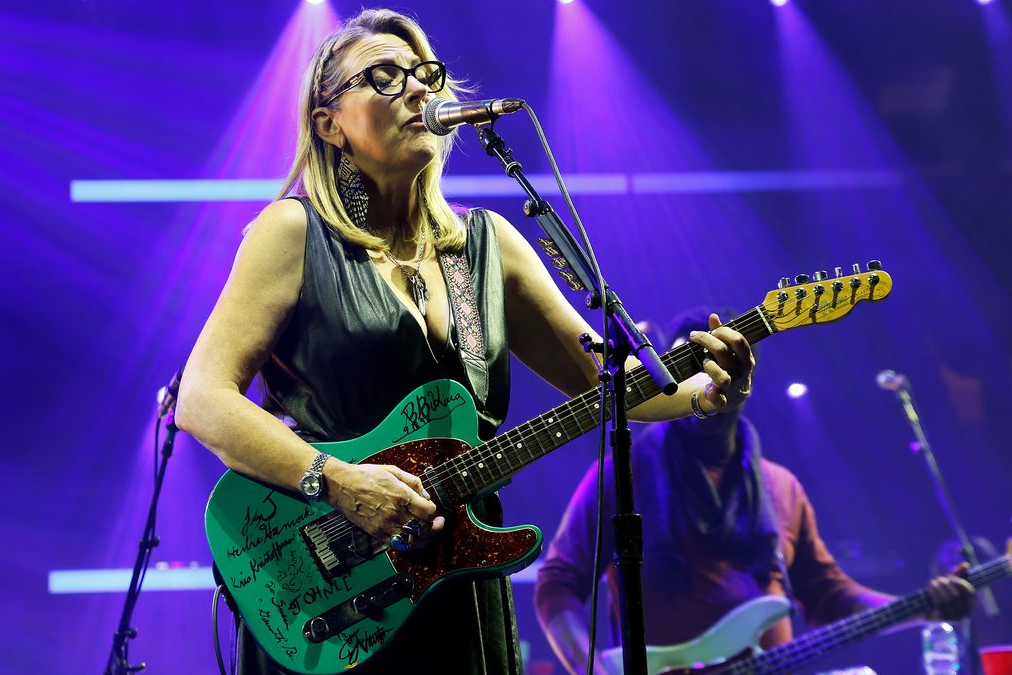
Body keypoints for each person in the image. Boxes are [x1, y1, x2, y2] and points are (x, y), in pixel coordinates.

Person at [175, 10, 756, 674]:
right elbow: (202, 398)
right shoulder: (293, 233)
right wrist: (337, 480)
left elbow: (614, 384)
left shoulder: (486, 246)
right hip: (335, 584)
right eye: (385, 77)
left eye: (425, 76)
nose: (418, 91)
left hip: (457, 581)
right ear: (328, 122)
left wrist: (714, 393)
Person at [533, 309, 976, 675]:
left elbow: (827, 595)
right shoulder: (619, 474)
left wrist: (924, 607)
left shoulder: (781, 485)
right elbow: (557, 584)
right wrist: (595, 669)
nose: (716, 380)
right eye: (694, 368)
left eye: (731, 367)